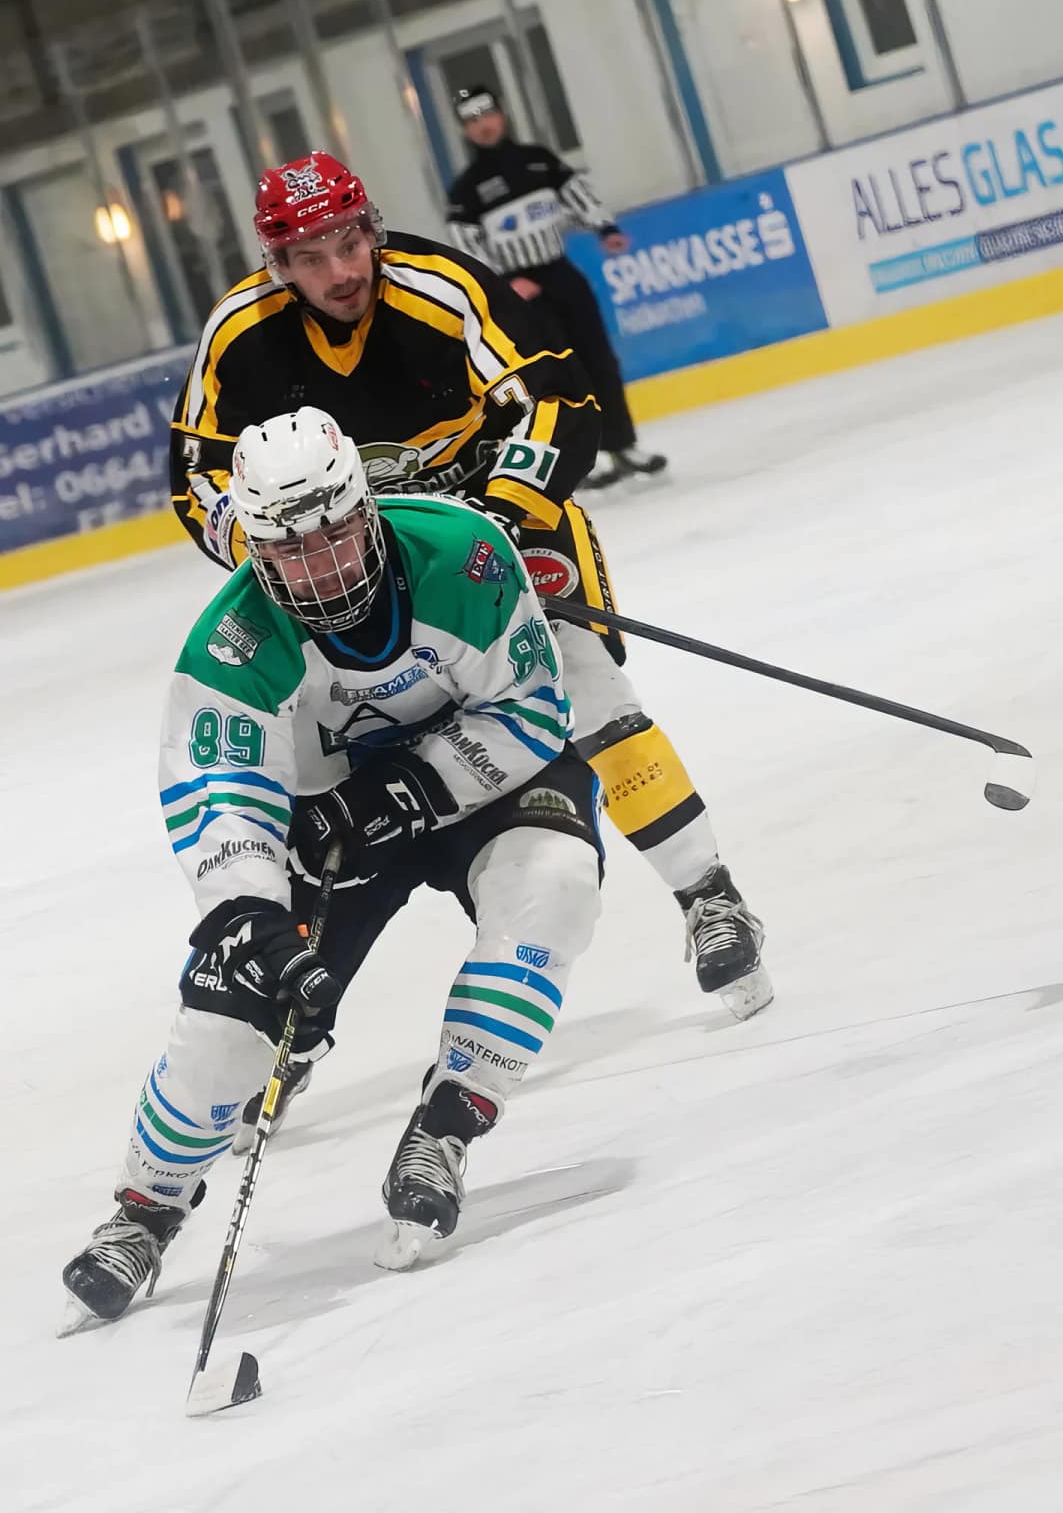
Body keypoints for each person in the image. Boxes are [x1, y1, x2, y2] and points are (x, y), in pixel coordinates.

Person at [169, 152, 769, 1056]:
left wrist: (498, 519)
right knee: (324, 758)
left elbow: (561, 405)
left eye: (348, 244)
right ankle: (285, 1016)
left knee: (581, 683)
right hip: (346, 565)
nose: (340, 272)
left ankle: (710, 894)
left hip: (496, 531)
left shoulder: (440, 289)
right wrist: (266, 551)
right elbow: (196, 471)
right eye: (313, 257)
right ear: (277, 266)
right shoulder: (240, 335)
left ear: (369, 229)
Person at [63, 409, 601, 1320]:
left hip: (477, 788)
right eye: (289, 552)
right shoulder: (232, 647)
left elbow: (533, 710)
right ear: (256, 551)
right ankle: (144, 1211)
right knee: (229, 1024)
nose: (320, 568)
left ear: (368, 510)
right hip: (327, 832)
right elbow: (220, 799)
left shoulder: (463, 557)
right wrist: (252, 920)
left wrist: (403, 791)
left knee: (553, 885)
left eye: (335, 536)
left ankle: (446, 1126)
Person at [444, 83, 665, 490]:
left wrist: (606, 228)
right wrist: (507, 283)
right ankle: (588, 457)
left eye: (487, 115)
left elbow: (575, 195)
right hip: (522, 293)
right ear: (464, 130)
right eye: (472, 121)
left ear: (501, 115)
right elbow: (467, 246)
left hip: (561, 274)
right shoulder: (466, 189)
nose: (483, 126)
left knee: (600, 360)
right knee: (562, 374)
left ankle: (624, 444)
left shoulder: (537, 160)